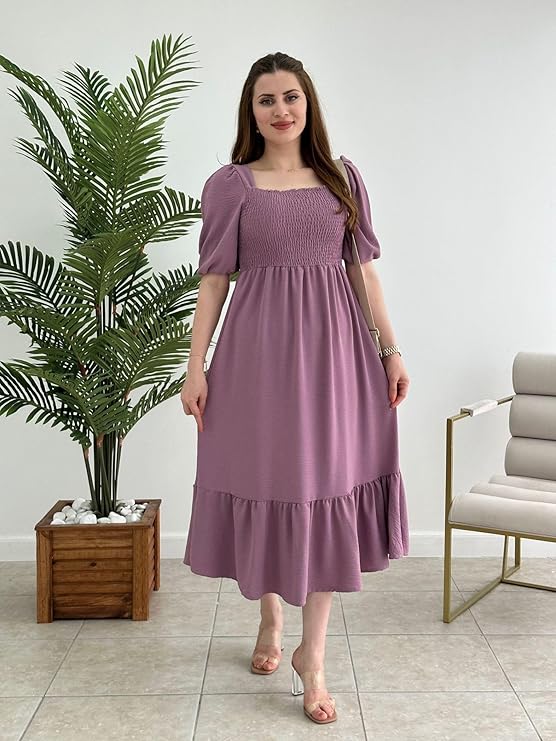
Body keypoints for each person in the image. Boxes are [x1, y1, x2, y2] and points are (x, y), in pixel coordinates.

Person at [181, 51, 410, 725]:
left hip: (337, 358)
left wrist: (391, 350)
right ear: (250, 113)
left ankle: (313, 656)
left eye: (291, 97)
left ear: (308, 103)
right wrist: (195, 366)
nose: (281, 110)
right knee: (269, 479)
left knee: (323, 486)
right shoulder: (231, 186)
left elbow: (364, 273)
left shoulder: (342, 178)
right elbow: (214, 281)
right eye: (266, 100)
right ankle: (270, 617)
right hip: (254, 360)